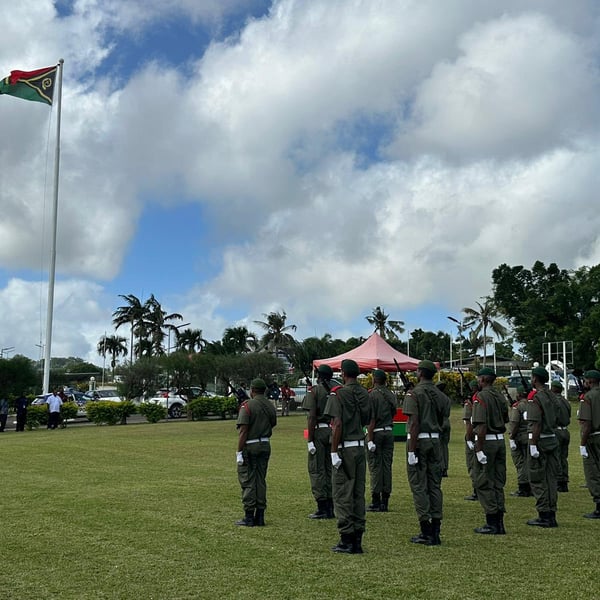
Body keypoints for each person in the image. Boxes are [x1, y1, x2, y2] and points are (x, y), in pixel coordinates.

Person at [324, 359, 370, 553]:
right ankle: (357, 539)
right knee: (358, 495)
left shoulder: (338, 394)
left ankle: (346, 539)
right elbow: (368, 419)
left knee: (343, 493)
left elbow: (337, 424)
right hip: (360, 447)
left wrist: (333, 451)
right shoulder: (365, 394)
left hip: (345, 448)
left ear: (343, 373)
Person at [403, 359, 448, 546]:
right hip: (435, 440)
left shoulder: (414, 394)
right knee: (434, 484)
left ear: (420, 373)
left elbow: (414, 423)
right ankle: (436, 528)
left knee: (419, 485)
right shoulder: (441, 395)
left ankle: (426, 529)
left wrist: (412, 450)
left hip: (419, 440)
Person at [471, 367, 509, 535]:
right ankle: (499, 521)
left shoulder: (481, 397)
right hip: (500, 441)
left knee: (484, 482)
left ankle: (492, 522)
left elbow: (480, 425)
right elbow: (506, 418)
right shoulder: (499, 396)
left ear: (484, 379)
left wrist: (478, 449)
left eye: (479, 378)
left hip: (487, 442)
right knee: (497, 482)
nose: (478, 381)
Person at [235, 378, 277, 527]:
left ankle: (249, 516)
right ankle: (260, 515)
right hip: (265, 444)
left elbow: (243, 431)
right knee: (261, 480)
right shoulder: (270, 406)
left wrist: (239, 451)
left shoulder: (247, 406)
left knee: (248, 480)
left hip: (250, 446)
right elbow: (273, 423)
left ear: (252, 390)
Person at [526, 366, 560, 528]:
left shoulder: (536, 397)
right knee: (551, 479)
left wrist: (533, 444)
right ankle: (551, 513)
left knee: (538, 478)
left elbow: (536, 423)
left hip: (540, 441)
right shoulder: (553, 396)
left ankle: (544, 514)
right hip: (552, 439)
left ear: (535, 379)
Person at [301, 366, 334, 519]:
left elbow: (311, 417)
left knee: (316, 469)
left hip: (319, 432)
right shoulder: (335, 389)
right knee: (329, 469)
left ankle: (322, 506)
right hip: (331, 431)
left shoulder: (314, 391)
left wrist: (310, 440)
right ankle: (331, 504)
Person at [365, 369, 397, 512]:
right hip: (389, 431)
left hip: (376, 432)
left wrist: (370, 439)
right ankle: (385, 500)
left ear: (374, 380)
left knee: (375, 467)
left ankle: (376, 501)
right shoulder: (390, 394)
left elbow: (371, 419)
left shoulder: (372, 395)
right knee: (386, 466)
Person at [578, 369, 600, 519]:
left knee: (593, 472)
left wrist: (582, 443)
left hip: (595, 437)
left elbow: (586, 424)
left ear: (590, 381)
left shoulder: (588, 397)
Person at [509, 385, 532, 497]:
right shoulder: (532, 404)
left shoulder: (517, 406)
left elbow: (514, 423)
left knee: (520, 462)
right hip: (531, 436)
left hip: (520, 437)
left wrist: (511, 437)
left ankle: (523, 487)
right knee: (530, 462)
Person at [551, 380, 571, 493]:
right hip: (565, 431)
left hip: (557, 430)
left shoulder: (554, 401)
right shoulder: (565, 401)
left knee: (557, 456)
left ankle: (559, 481)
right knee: (564, 457)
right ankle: (564, 480)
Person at [463, 379, 479, 501]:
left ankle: (476, 490)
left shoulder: (471, 403)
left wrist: (468, 439)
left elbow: (468, 422)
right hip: (483, 436)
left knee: (473, 465)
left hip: (473, 436)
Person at [436, 381, 451, 478]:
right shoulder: (447, 398)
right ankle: (445, 468)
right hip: (447, 422)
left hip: (439, 422)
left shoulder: (437, 398)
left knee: (439, 447)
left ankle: (441, 468)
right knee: (444, 447)